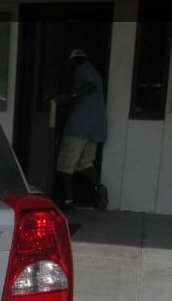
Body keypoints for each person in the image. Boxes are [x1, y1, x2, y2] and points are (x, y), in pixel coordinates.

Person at [55, 49, 108, 211]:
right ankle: (99, 187)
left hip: (79, 126)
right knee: (84, 162)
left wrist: (71, 96)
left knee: (65, 164)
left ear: (74, 61)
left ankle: (68, 201)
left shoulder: (81, 70)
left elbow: (89, 86)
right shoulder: (95, 71)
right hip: (96, 127)